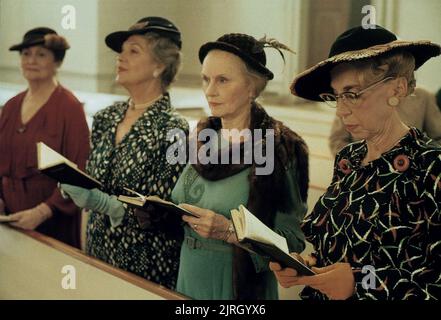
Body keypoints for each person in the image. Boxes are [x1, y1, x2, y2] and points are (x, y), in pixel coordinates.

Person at [270, 25, 441, 300]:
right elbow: (339, 247)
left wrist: (361, 284)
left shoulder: (432, 168)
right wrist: (309, 267)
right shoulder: (349, 158)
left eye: (351, 94)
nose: (340, 110)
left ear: (396, 88)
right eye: (336, 96)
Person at [166, 33, 309, 299]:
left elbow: (292, 240)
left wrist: (230, 231)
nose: (210, 91)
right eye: (206, 79)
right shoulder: (200, 139)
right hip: (189, 277)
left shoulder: (280, 148)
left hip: (238, 289)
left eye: (222, 80)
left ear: (252, 87)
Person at [60, 17, 189, 289]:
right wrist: (72, 181)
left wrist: (106, 204)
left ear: (159, 66)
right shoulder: (106, 117)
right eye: (121, 51)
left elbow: (165, 213)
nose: (121, 57)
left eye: (134, 50)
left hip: (145, 262)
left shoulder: (174, 128)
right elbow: (94, 179)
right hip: (98, 251)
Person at [0, 27, 90, 248]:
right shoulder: (11, 106)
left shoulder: (70, 107)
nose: (32, 60)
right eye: (26, 54)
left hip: (52, 221)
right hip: (8, 219)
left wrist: (43, 211)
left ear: (57, 62)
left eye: (41, 54)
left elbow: (79, 171)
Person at [329, 86, 441, 155]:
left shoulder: (423, 97)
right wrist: (359, 164)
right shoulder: (353, 95)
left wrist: (421, 161)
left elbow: (438, 137)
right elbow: (337, 140)